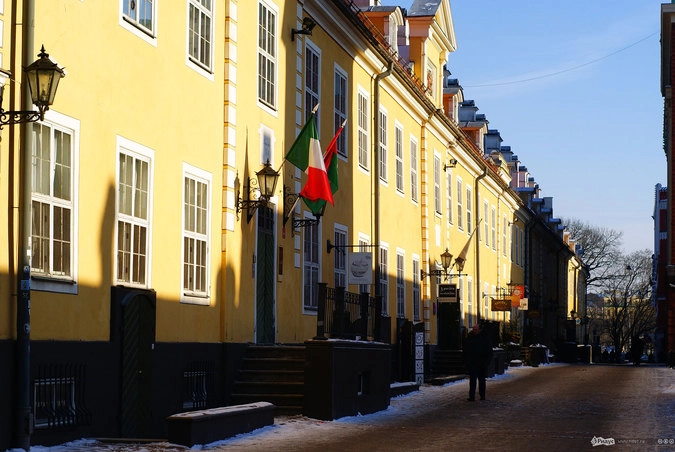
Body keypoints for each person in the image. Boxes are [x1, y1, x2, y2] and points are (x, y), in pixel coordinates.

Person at [462, 323, 493, 401]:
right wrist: (466, 361)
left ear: (480, 329)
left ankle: (482, 395)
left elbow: (489, 351)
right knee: (472, 380)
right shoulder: (470, 337)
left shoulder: (485, 338)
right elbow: (465, 349)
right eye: (473, 329)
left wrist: (486, 362)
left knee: (481, 380)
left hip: (482, 363)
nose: (474, 331)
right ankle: (471, 396)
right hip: (472, 362)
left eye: (476, 329)